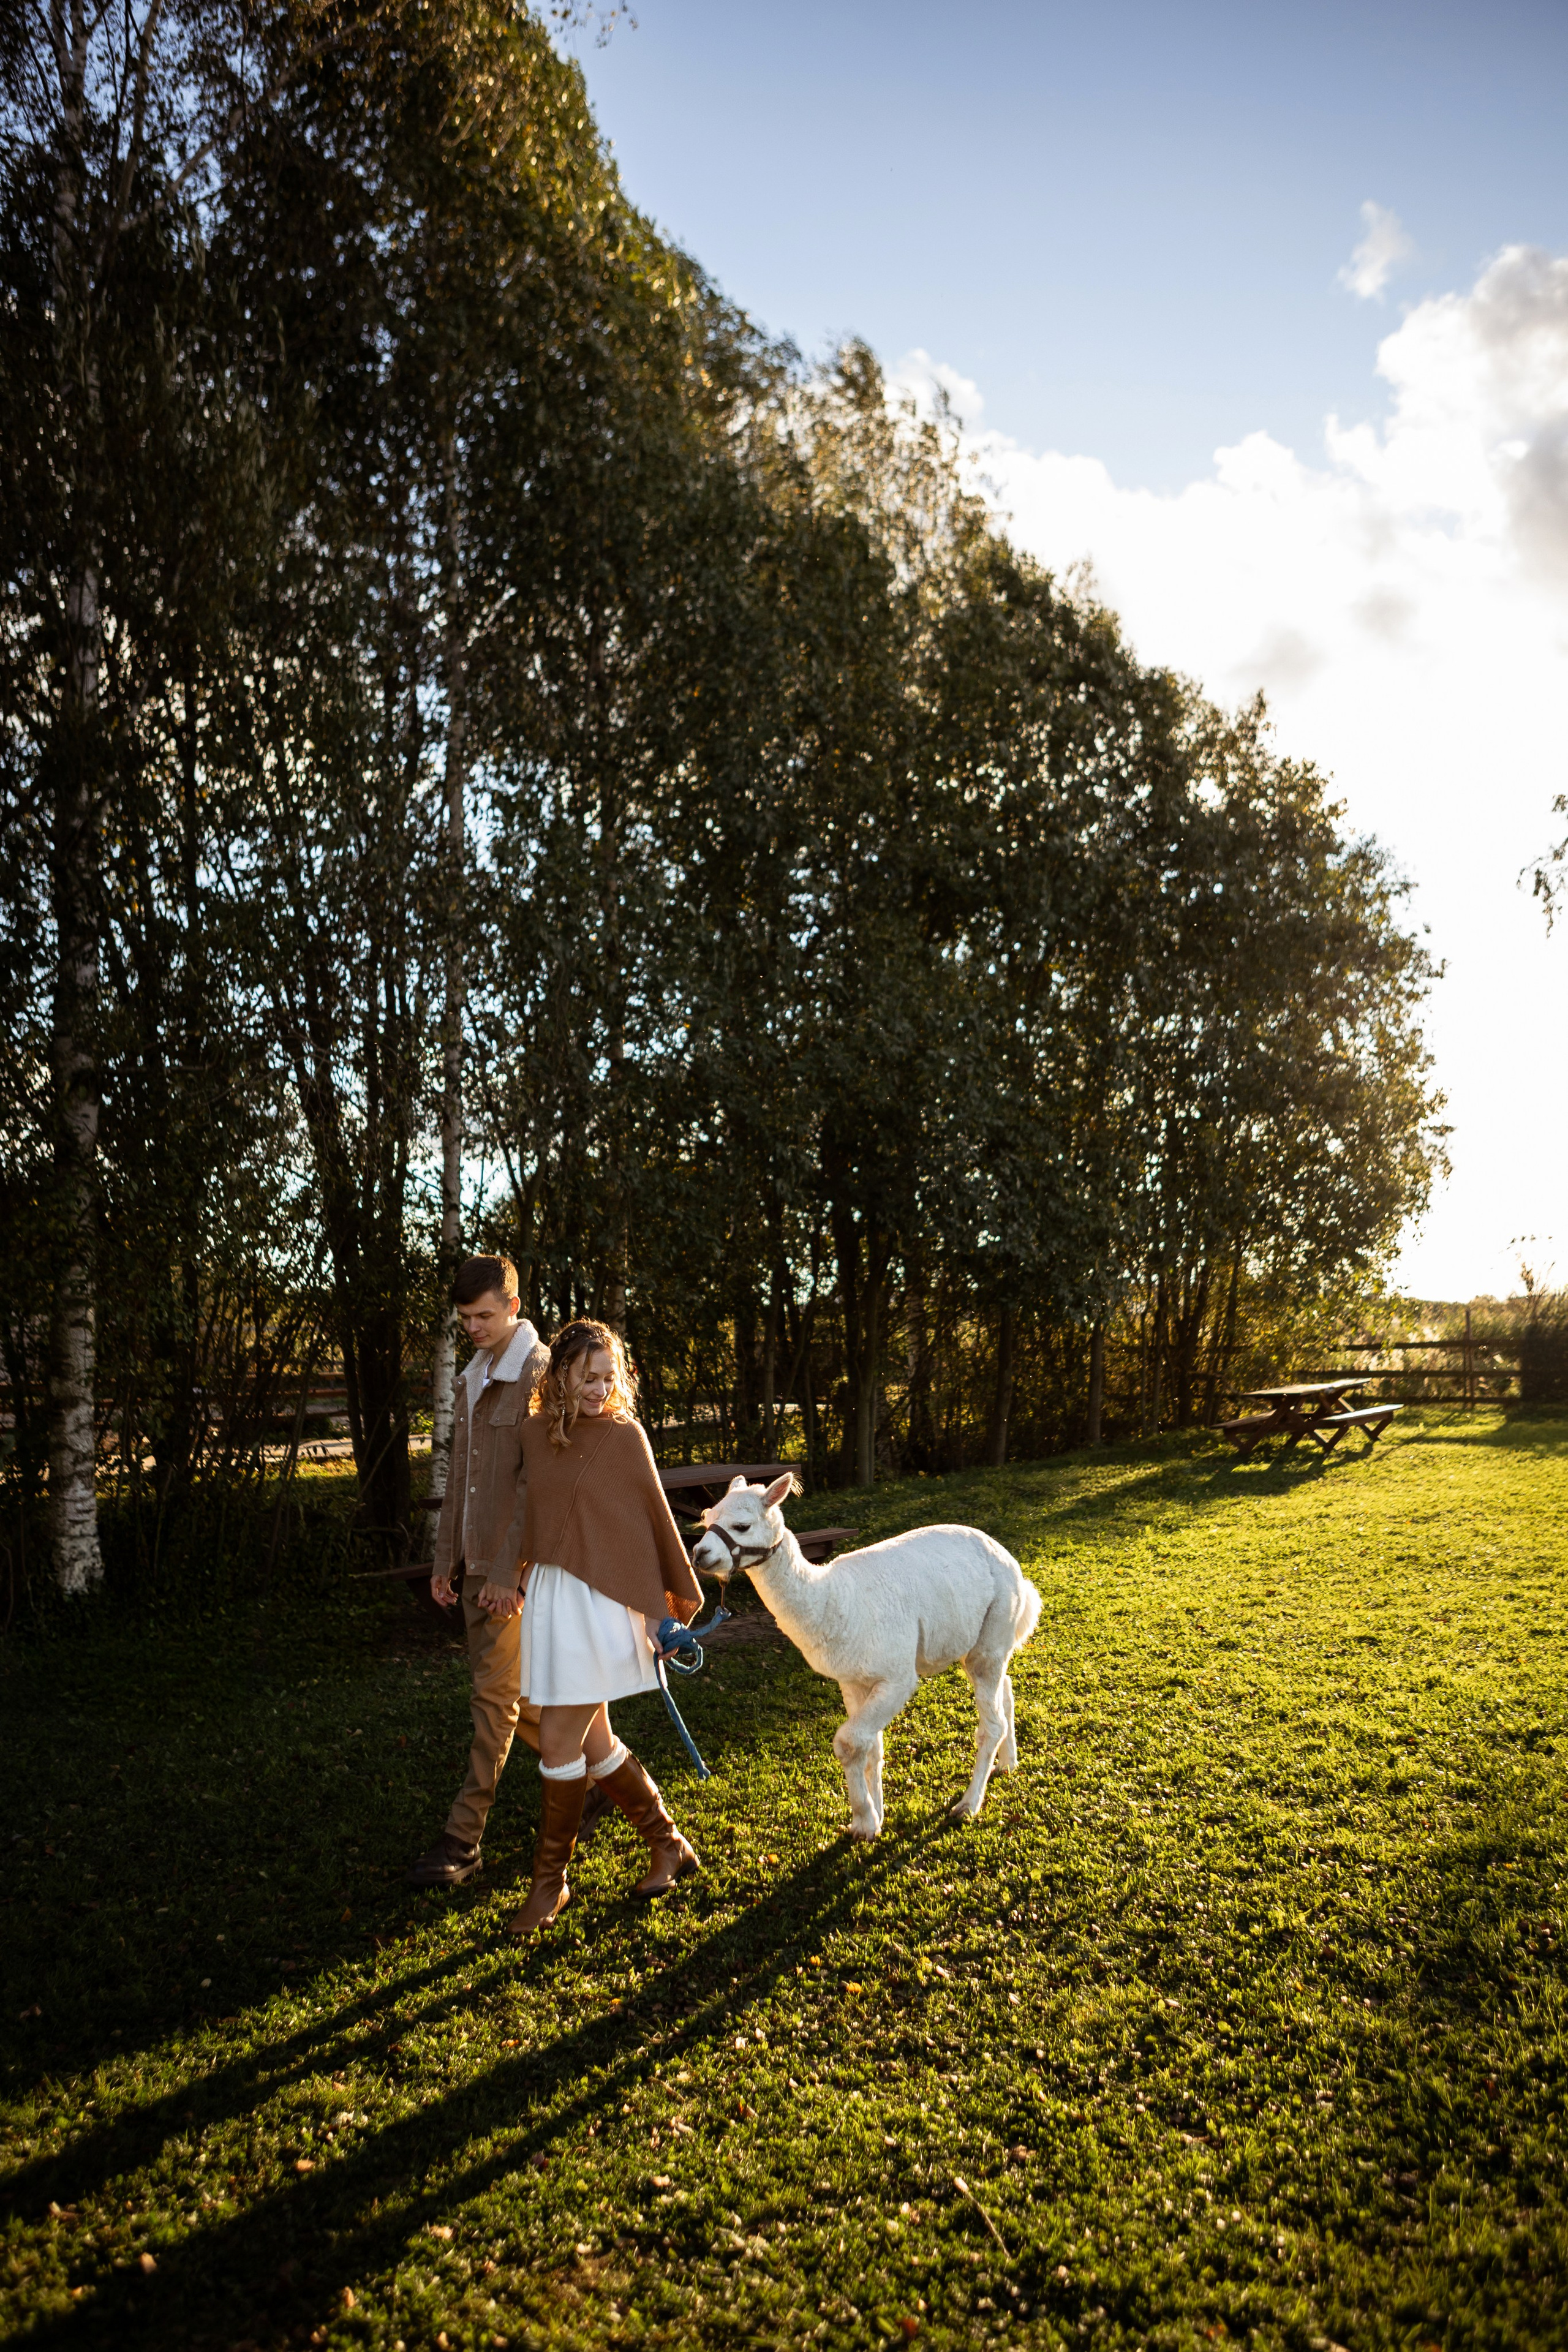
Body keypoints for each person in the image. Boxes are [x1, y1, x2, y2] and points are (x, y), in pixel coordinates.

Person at [508, 1317, 706, 1939]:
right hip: (551, 1596)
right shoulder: (534, 1435)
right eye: (587, 1376)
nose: (599, 1388)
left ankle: (550, 1883)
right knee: (592, 1740)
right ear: (560, 1375)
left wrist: (658, 1613)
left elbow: (646, 1528)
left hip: (603, 1603)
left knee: (561, 1737)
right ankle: (668, 1844)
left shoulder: (624, 1436)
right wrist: (506, 1572)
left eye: (609, 1377)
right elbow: (524, 1513)